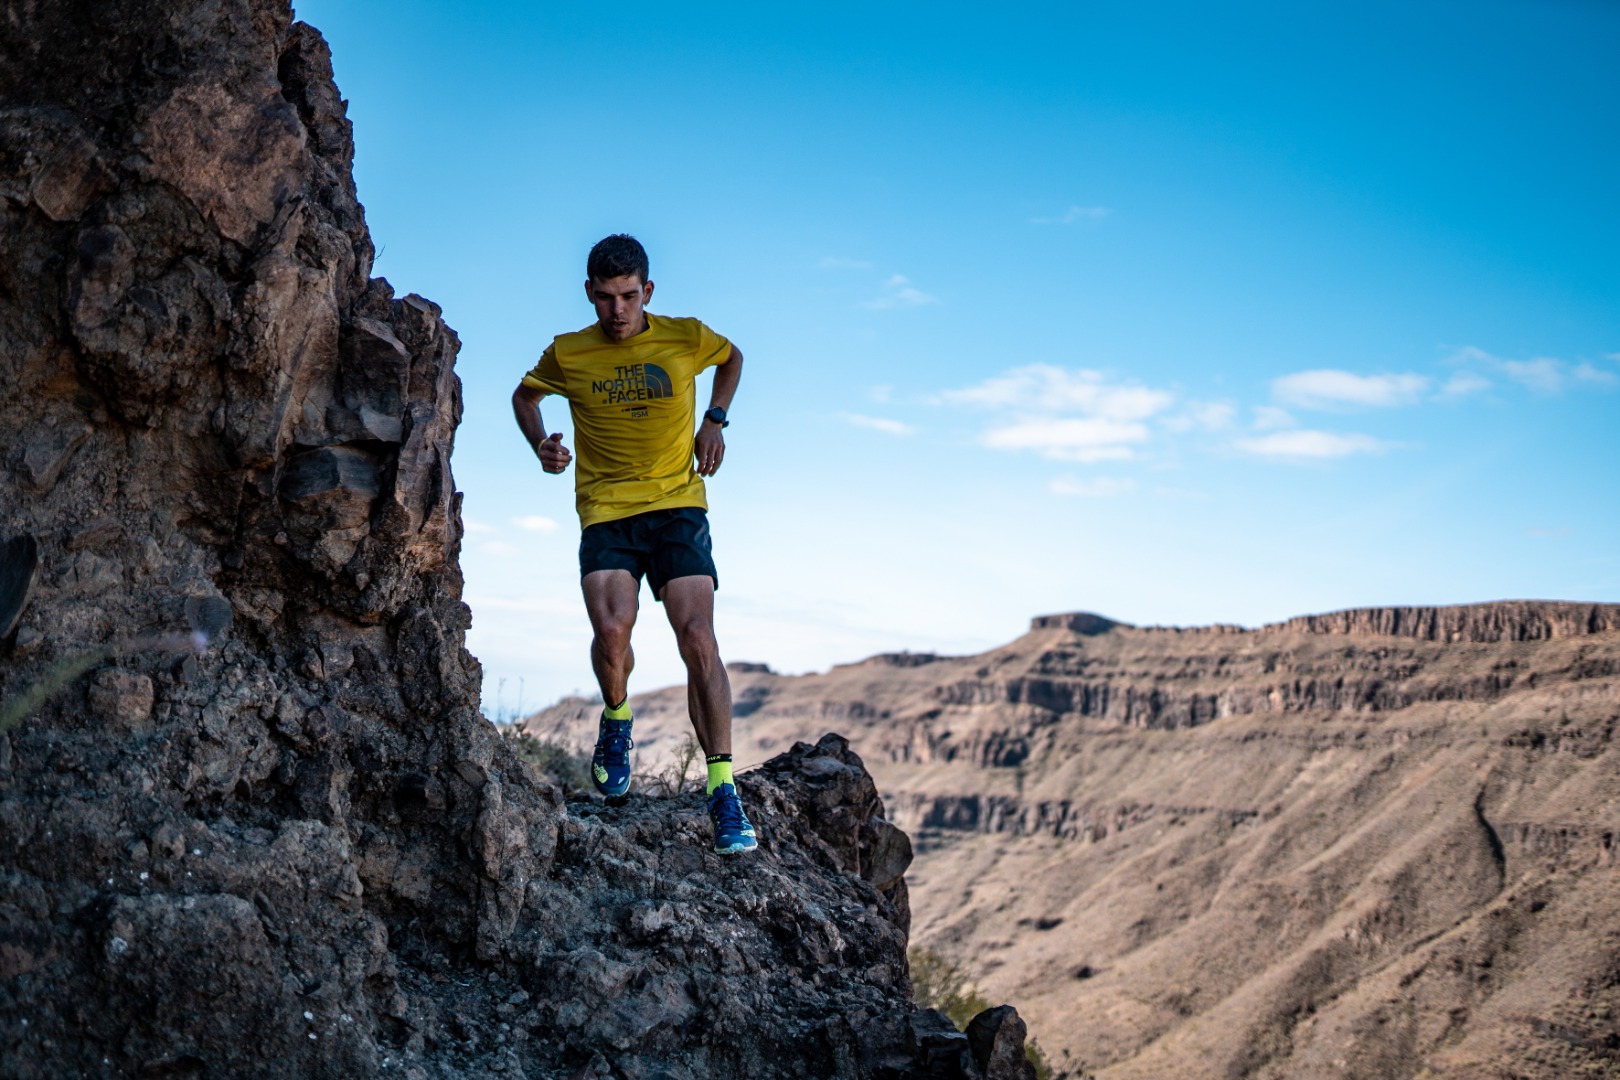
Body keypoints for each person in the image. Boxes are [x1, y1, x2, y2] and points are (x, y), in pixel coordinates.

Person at [510, 234, 756, 855]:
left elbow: (733, 360)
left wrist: (715, 420)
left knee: (697, 636)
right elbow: (525, 395)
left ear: (647, 292)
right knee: (613, 631)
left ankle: (722, 788)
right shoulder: (568, 353)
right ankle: (617, 717)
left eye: (628, 296)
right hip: (607, 510)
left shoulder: (686, 337)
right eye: (605, 298)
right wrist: (541, 443)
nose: (617, 310)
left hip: (677, 505)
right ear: (589, 294)